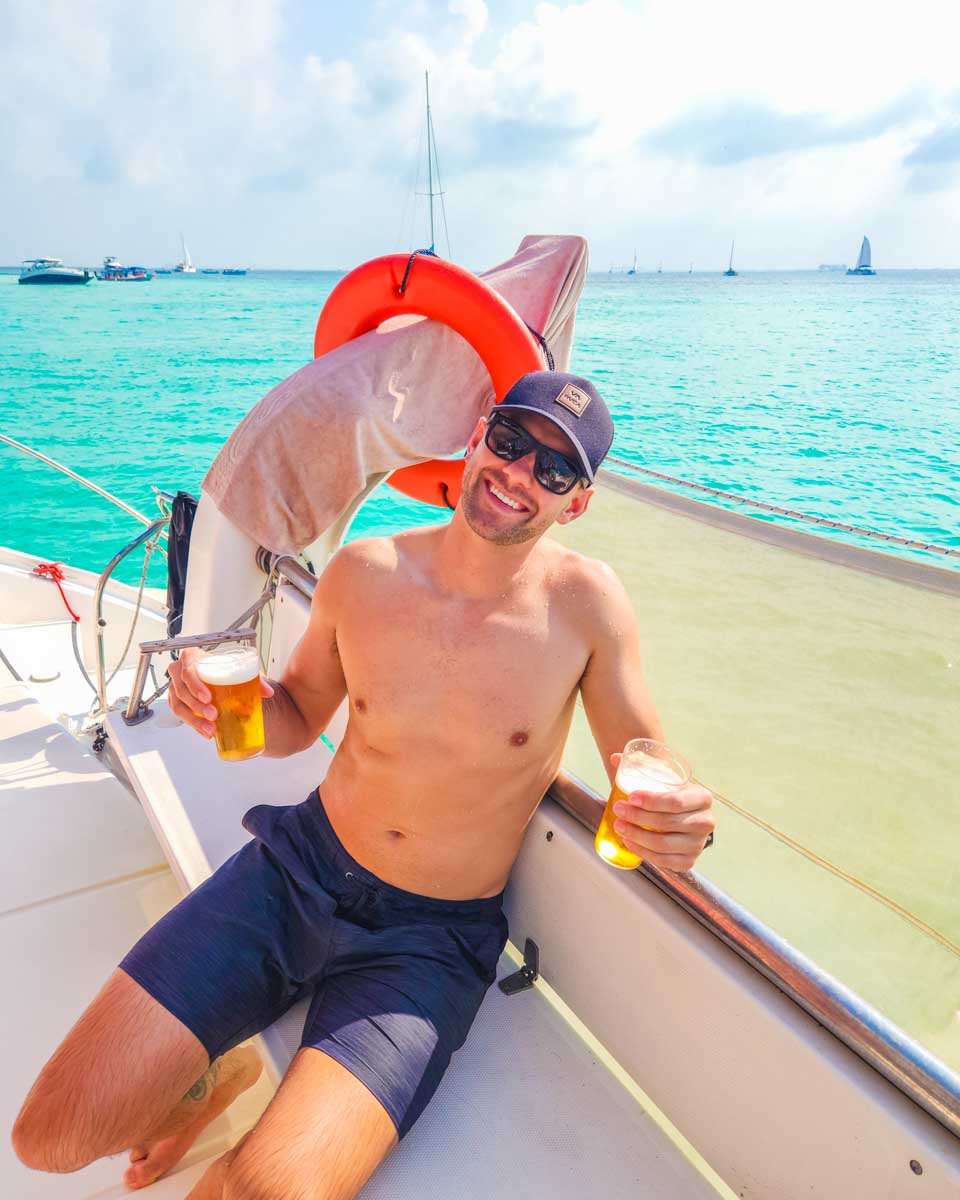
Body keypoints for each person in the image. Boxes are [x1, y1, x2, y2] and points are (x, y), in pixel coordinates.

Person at [13, 371, 716, 1199]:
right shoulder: (364, 570)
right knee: (50, 1139)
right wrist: (209, 699)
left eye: (555, 471)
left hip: (428, 941)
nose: (520, 472)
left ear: (577, 503)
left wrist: (682, 823)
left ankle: (237, 1073)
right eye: (512, 441)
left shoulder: (589, 607)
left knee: (261, 1191)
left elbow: (650, 771)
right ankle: (217, 1080)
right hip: (294, 871)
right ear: (478, 436)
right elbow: (298, 716)